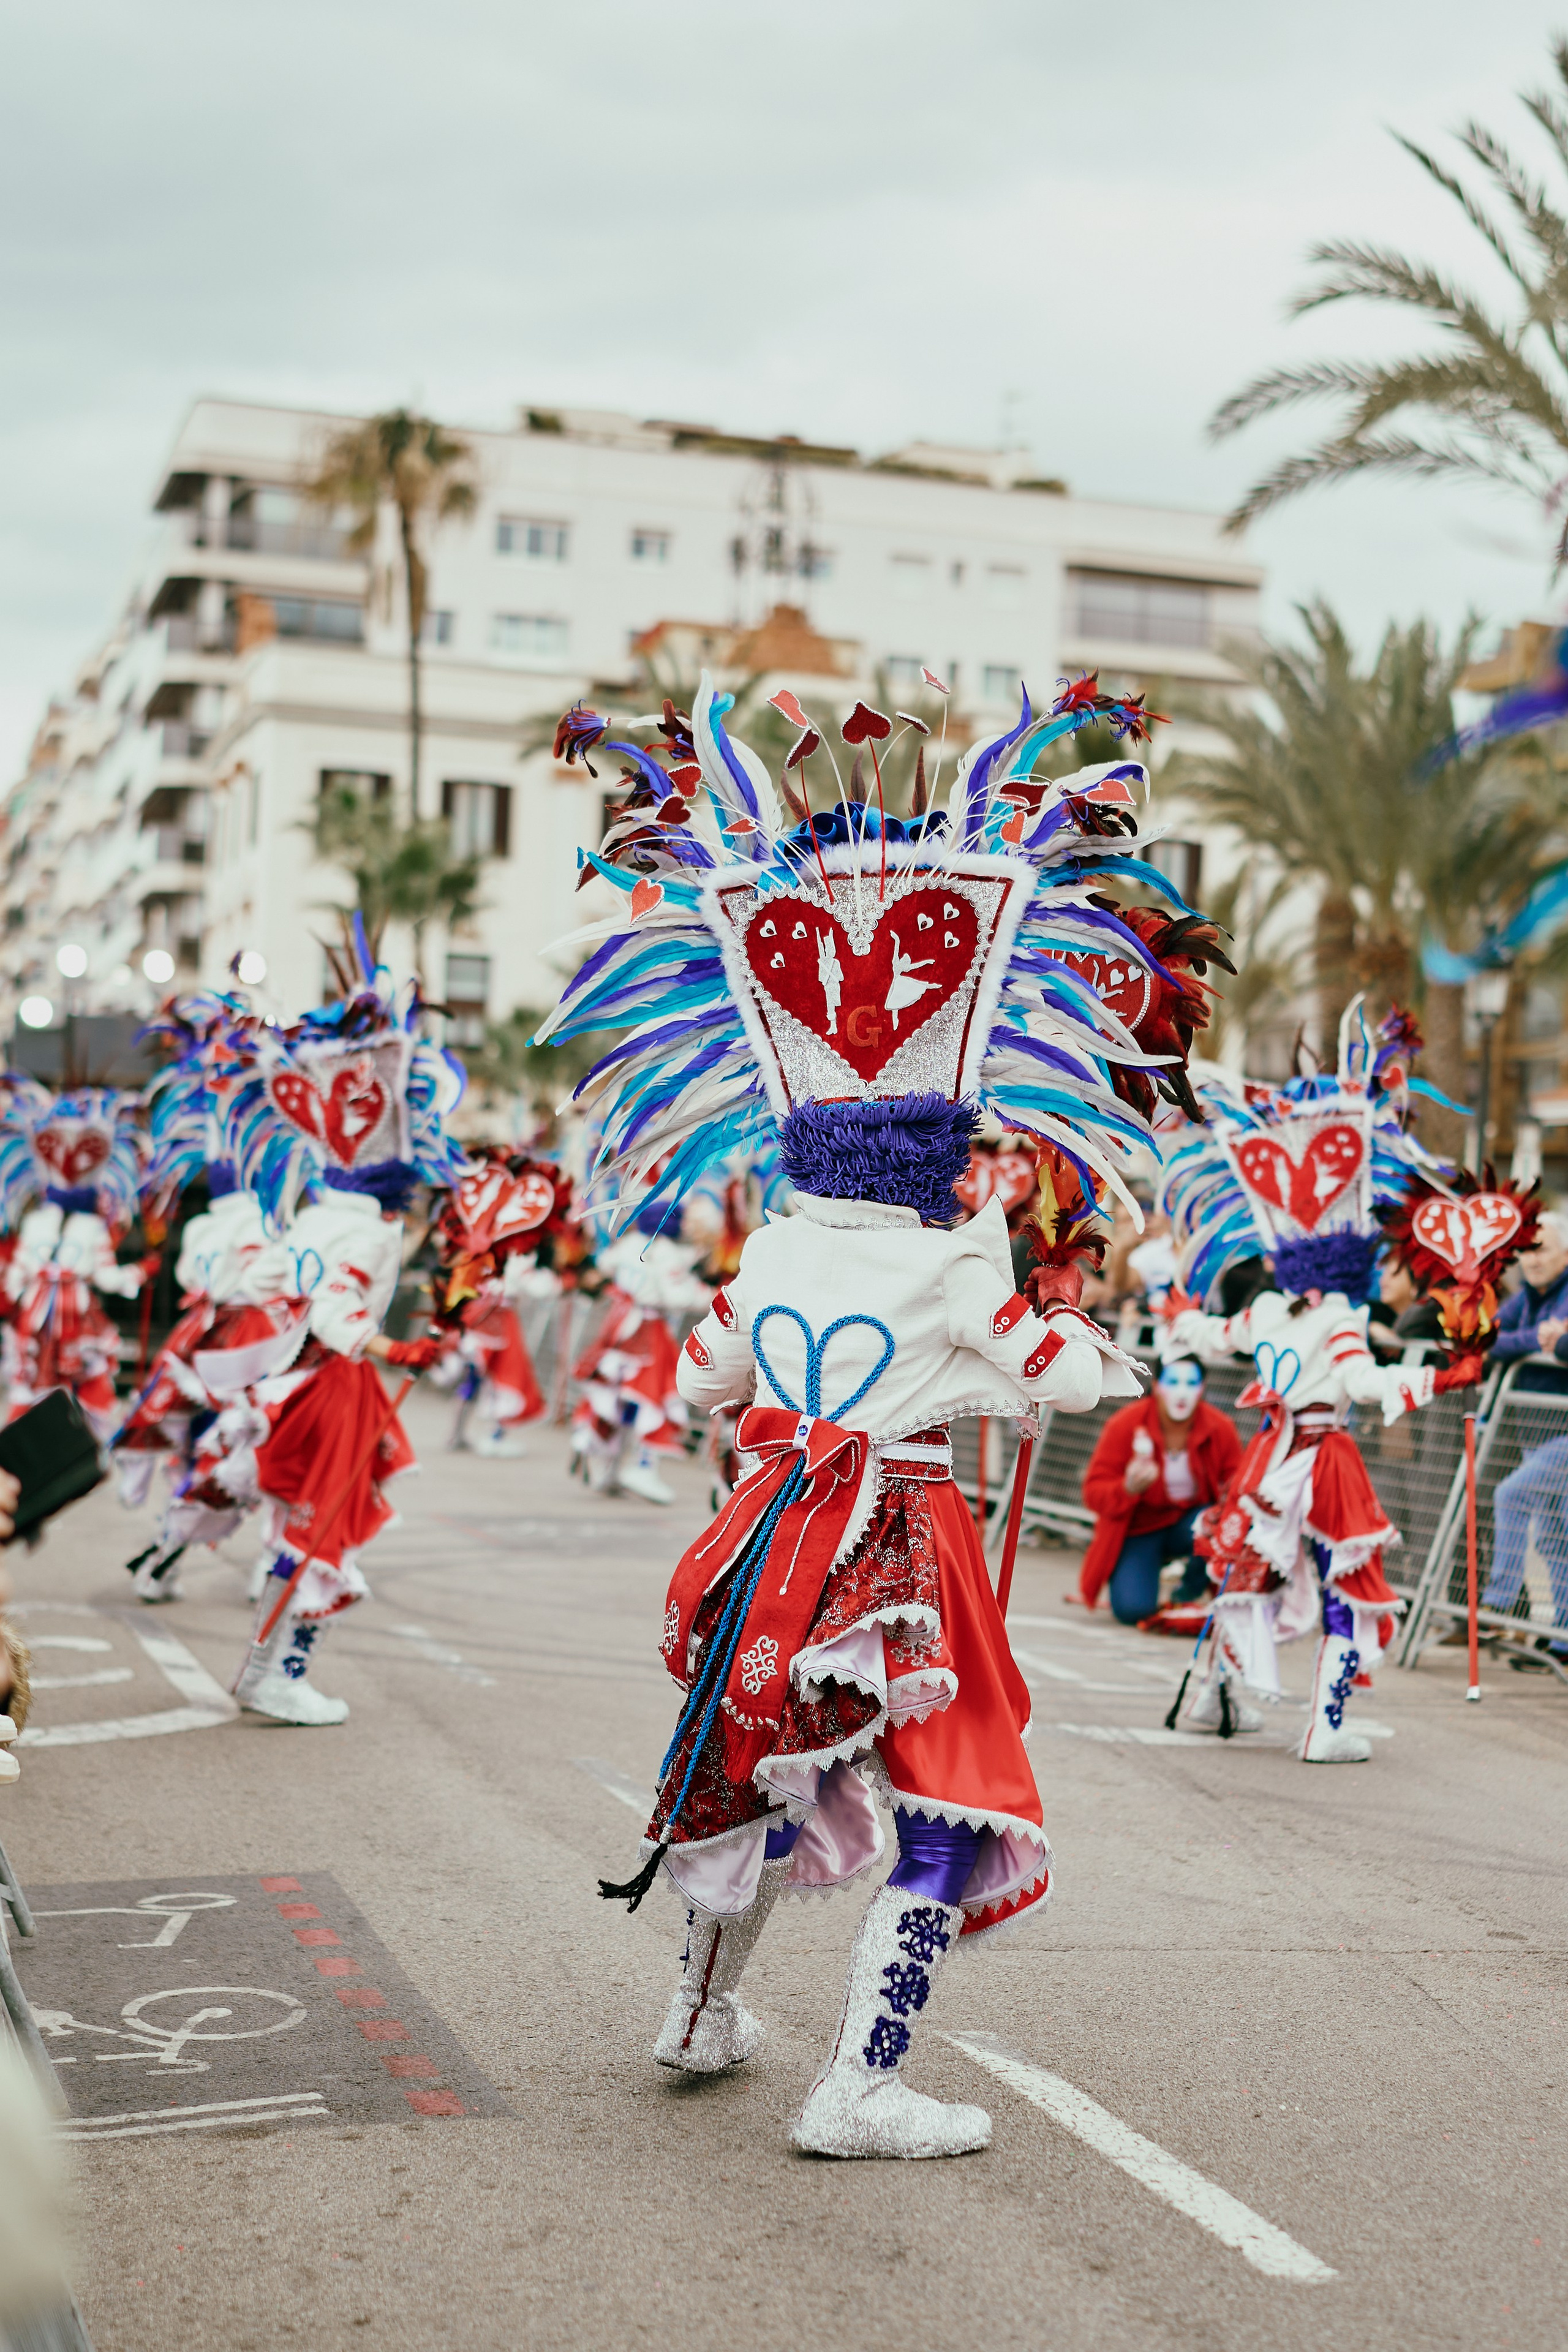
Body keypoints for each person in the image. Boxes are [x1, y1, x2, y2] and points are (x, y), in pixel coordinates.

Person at [538, 671, 1226, 2158]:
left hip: (763, 1538)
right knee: (948, 1804)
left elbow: (698, 1380)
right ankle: (856, 2082)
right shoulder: (951, 1262)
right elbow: (1074, 1380)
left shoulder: (771, 1249)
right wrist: (1021, 1303)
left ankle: (697, 2010)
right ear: (937, 1142)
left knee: (751, 1770)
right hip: (898, 1546)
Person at [1160, 1005, 1492, 1760]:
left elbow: (1206, 1333)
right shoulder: (1339, 1316)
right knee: (1343, 1586)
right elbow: (1366, 1383)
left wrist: (1176, 1314)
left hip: (1271, 1458)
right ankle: (1324, 1726)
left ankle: (1217, 1695)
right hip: (1324, 1462)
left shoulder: (1268, 1310)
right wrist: (1445, 1375)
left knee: (1246, 1571)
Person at [222, 927, 469, 1725]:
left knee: (301, 1532)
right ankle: (272, 1674)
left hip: (303, 1382)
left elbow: (275, 1280)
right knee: (320, 1534)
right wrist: (396, 1345)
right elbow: (334, 1309)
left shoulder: (324, 1209)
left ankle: (270, 1666)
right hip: (332, 1390)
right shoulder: (362, 1226)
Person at [1079, 1355, 1243, 1626]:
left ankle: (1190, 1588)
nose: (1182, 1392)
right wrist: (1127, 1488)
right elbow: (1093, 1493)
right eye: (1173, 1382)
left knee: (1221, 1520)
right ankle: (1146, 1574)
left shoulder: (1220, 1428)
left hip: (1192, 1525)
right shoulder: (1125, 1425)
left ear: (1202, 1388)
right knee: (1133, 1611)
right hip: (1139, 1529)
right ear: (1156, 1386)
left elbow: (1237, 1491)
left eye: (1191, 1383)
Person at [1482, 1212, 1568, 1622]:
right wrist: (1535, 1339)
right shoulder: (1528, 1297)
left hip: (1562, 1434)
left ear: (1566, 1253)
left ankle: (1497, 1603)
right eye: (1528, 1250)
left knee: (1510, 1495)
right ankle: (1562, 1638)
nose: (1532, 1260)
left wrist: (1562, 1342)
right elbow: (1490, 1340)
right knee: (1555, 1540)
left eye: (1543, 1249)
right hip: (1534, 1431)